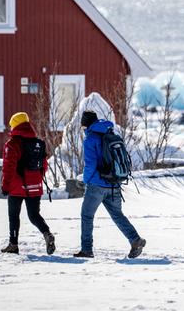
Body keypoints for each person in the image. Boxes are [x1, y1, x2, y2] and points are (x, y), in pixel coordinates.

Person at [74, 110, 146, 259]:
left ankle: (86, 250)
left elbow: (90, 165)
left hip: (96, 185)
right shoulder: (111, 134)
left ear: (86, 125)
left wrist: (85, 181)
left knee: (87, 216)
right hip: (114, 184)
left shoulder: (90, 140)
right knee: (117, 215)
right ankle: (135, 240)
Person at [0, 111, 55, 255]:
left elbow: (8, 168)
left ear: (15, 126)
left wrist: (5, 186)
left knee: (14, 215)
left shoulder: (12, 144)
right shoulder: (38, 143)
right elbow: (44, 166)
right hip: (35, 186)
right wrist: (34, 178)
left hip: (16, 187)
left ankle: (13, 244)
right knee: (34, 215)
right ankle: (47, 234)